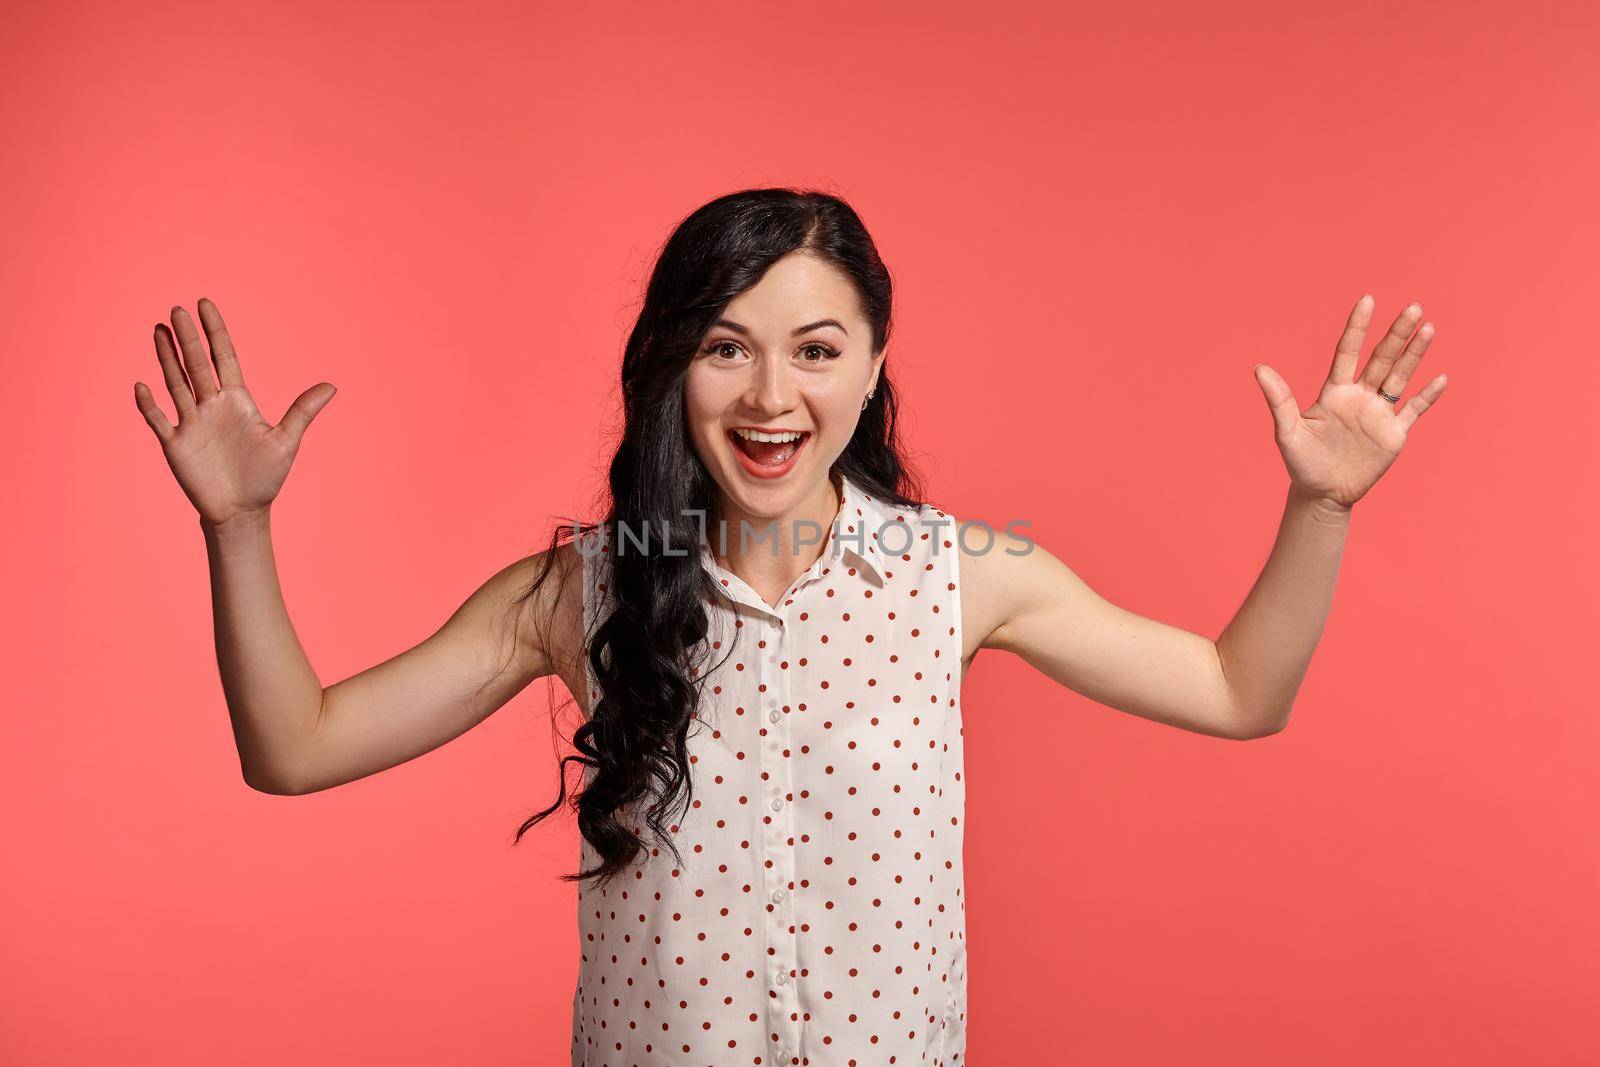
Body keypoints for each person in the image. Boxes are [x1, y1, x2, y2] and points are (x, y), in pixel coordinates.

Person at [133, 187, 1447, 1066]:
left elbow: (1237, 691)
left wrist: (1321, 501)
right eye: (726, 346)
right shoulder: (584, 589)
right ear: (672, 366)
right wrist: (236, 527)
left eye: (817, 349)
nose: (772, 394)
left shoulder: (962, 574)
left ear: (874, 365)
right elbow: (295, 748)